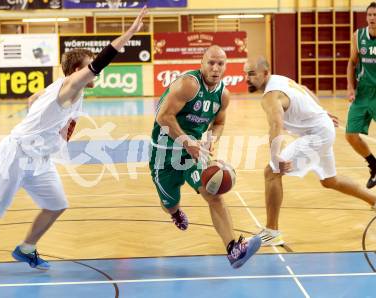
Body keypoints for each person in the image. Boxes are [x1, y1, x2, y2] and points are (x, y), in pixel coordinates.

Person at [0, 7, 148, 277]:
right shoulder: (71, 87)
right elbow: (104, 60)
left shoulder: (61, 86)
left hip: (39, 158)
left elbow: (32, 99)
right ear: (75, 71)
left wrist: (45, 124)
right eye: (89, 65)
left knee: (56, 204)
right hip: (15, 153)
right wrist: (130, 32)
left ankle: (26, 248)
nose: (95, 71)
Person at [149, 45, 261, 269]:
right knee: (169, 203)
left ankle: (233, 249)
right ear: (202, 63)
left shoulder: (223, 95)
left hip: (195, 152)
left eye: (221, 64)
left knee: (214, 192)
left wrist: (211, 140)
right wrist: (186, 141)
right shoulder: (188, 85)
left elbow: (219, 123)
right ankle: (175, 212)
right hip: (164, 152)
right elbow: (163, 117)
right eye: (211, 62)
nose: (215, 68)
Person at [245, 57, 376, 246]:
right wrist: (321, 112)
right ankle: (374, 199)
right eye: (245, 74)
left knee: (271, 171)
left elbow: (276, 125)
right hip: (321, 129)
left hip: (317, 134)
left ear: (265, 73)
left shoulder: (270, 96)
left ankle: (271, 232)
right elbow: (304, 89)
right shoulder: (280, 79)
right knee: (330, 181)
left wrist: (276, 157)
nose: (247, 78)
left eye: (251, 74)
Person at [346, 2, 376, 189]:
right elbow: (352, 61)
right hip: (363, 93)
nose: (372, 18)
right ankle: (374, 165)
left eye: (375, 15)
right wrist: (350, 86)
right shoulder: (358, 36)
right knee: (350, 135)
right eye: (370, 15)